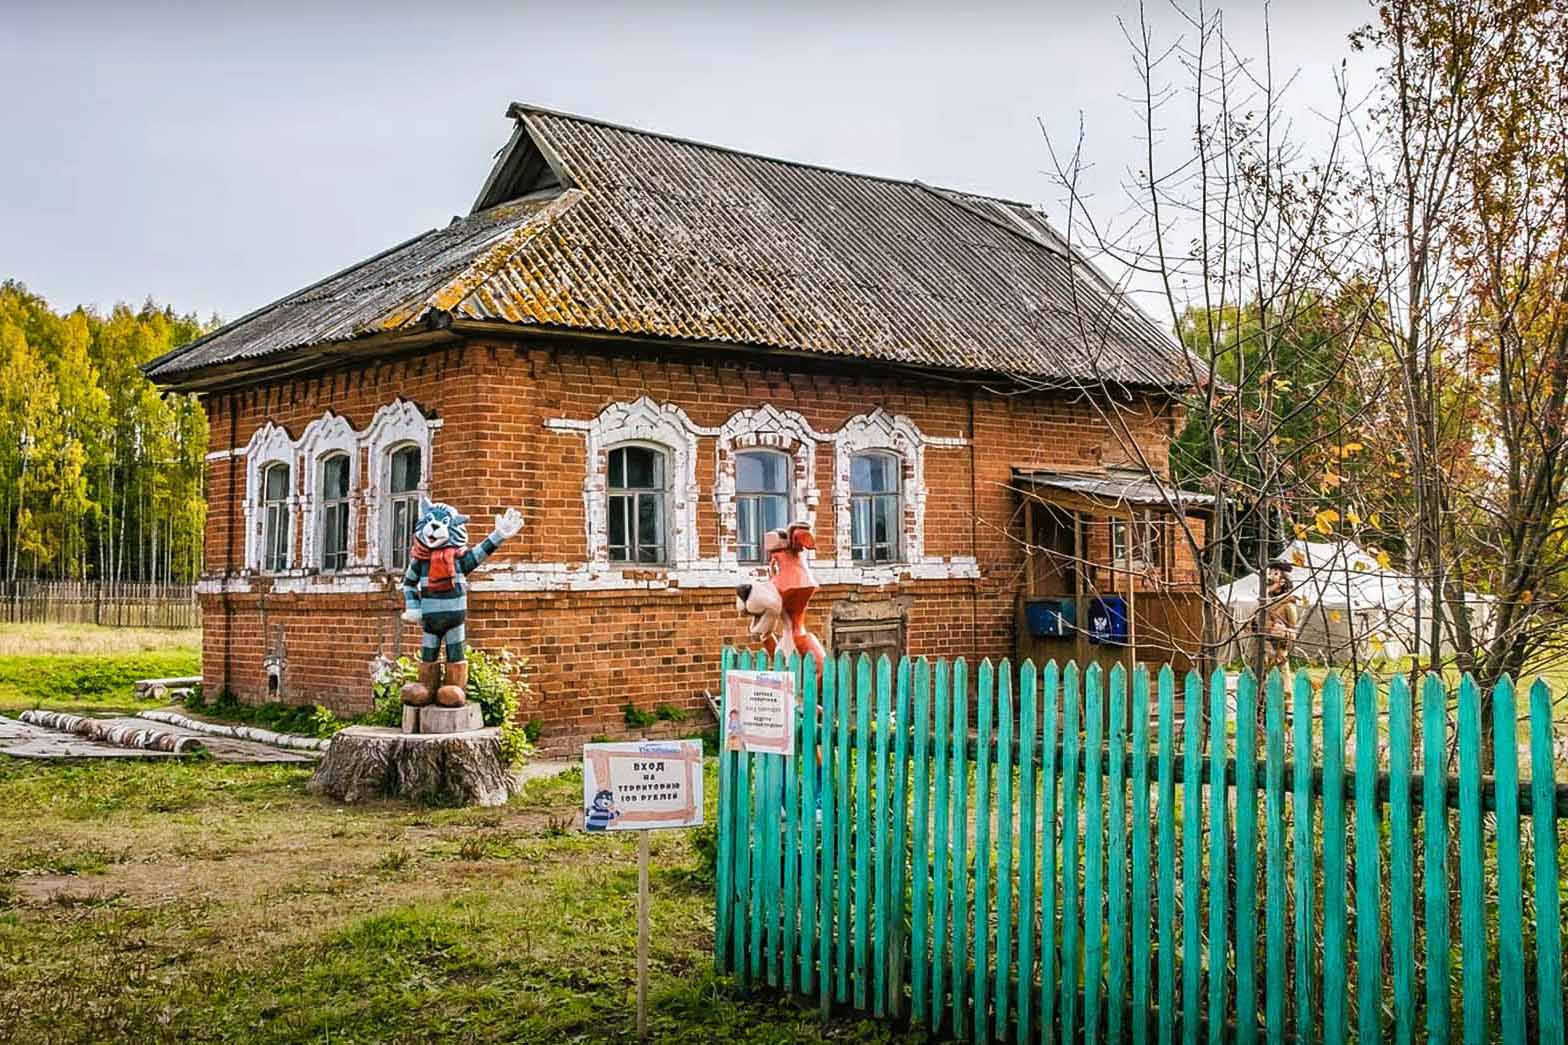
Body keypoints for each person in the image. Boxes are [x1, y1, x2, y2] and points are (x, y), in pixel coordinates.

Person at [1260, 559, 1299, 674]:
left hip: (1279, 653)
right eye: (1270, 573)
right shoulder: (1265, 603)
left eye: (1275, 574)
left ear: (1282, 581)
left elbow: (1293, 633)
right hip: (1263, 652)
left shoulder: (1288, 605)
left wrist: (1284, 632)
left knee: (1282, 678)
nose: (1270, 577)